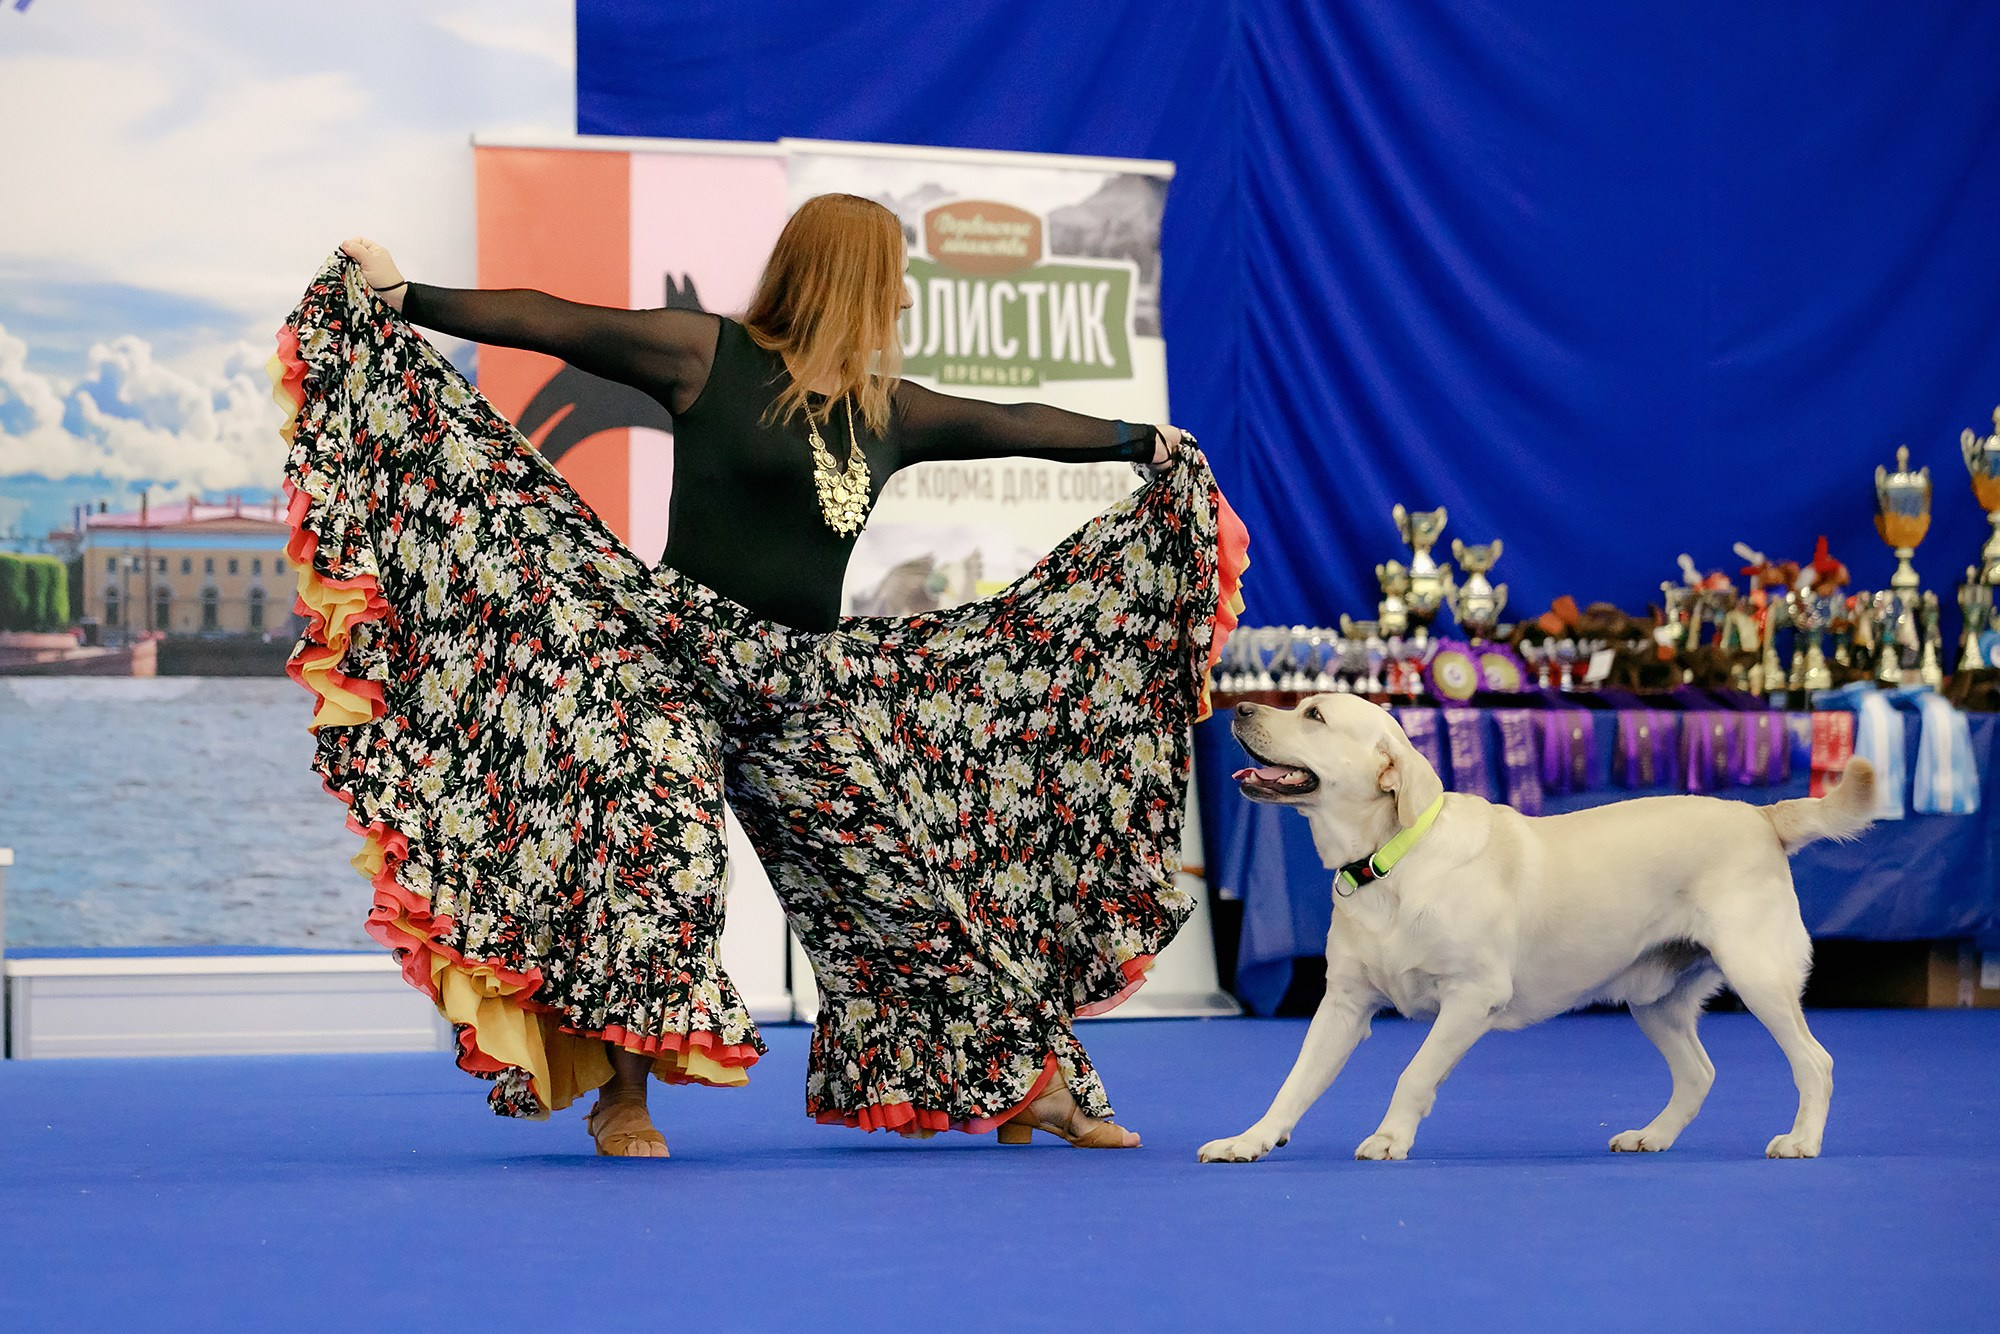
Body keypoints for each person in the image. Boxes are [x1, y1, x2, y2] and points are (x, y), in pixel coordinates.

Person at [275, 192, 1245, 1157]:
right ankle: (624, 1097)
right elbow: (556, 320)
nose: (902, 303)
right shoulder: (709, 355)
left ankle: (1030, 1088)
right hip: (671, 661)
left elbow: (1013, 418)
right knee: (667, 859)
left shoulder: (886, 410)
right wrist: (412, 295)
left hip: (799, 680)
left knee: (897, 881)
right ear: (849, 279)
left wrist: (1139, 442)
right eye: (893, 281)